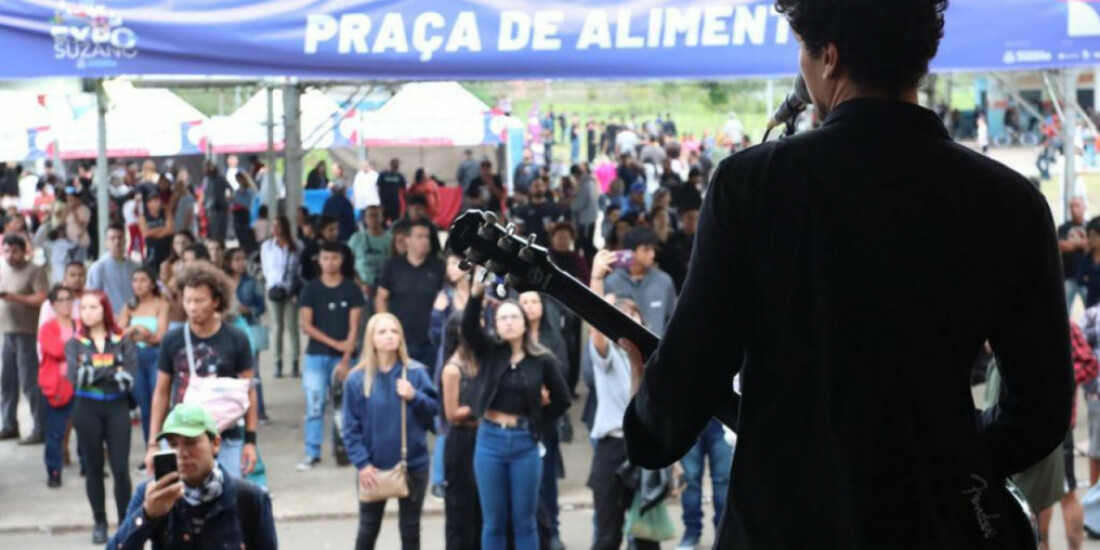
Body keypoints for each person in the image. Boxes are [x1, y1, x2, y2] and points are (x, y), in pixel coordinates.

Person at [620, 1, 1074, 547]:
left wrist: (648, 421)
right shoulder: (1011, 201)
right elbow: (1044, 408)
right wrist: (953, 459)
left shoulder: (753, 185)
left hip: (784, 527)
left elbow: (692, 373)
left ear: (829, 58)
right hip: (933, 528)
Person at [462, 277, 571, 550]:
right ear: (496, 325)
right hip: (489, 440)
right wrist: (476, 294)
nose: (509, 321)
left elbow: (563, 400)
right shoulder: (490, 352)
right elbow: (468, 328)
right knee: (494, 522)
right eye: (503, 318)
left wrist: (541, 418)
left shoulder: (542, 359)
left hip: (525, 441)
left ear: (524, 323)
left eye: (514, 316)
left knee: (525, 522)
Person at [108, 403, 277, 550]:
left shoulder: (249, 498)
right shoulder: (152, 495)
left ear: (216, 443)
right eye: (173, 444)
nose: (182, 453)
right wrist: (146, 516)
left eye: (191, 442)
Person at [145, 263, 259, 479]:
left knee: (229, 499)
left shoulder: (236, 338)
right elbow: (161, 392)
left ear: (216, 302)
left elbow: (249, 391)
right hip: (180, 437)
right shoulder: (172, 340)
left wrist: (250, 442)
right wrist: (152, 444)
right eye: (188, 300)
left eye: (199, 300)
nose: (192, 307)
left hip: (226, 437)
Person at [342, 313, 440, 550]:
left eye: (394, 331)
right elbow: (349, 428)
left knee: (410, 531)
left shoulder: (415, 373)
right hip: (372, 467)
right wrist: (362, 463)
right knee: (368, 529)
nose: (389, 337)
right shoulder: (356, 379)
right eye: (383, 332)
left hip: (412, 465)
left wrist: (414, 396)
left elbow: (434, 415)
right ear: (371, 339)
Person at [68, 291, 137, 544]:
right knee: (93, 468)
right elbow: (76, 379)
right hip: (86, 409)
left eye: (93, 307)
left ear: (104, 309)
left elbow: (128, 378)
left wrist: (93, 369)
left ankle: (125, 520)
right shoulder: (74, 343)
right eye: (83, 308)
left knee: (120, 468)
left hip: (117, 408)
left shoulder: (122, 340)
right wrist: (112, 370)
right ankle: (99, 521)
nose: (88, 312)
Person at [297, 241, 365, 471]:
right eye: (325, 258)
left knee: (346, 406)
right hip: (316, 356)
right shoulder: (311, 289)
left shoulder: (351, 289)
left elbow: (354, 327)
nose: (330, 263)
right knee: (315, 404)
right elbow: (306, 325)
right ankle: (312, 452)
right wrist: (335, 343)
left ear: (341, 260)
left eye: (334, 258)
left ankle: (347, 451)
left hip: (344, 358)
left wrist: (346, 357)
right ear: (319, 260)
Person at [0, 234, 49, 444]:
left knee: (30, 383)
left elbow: (42, 298)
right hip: (7, 333)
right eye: (7, 250)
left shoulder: (35, 271)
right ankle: (9, 424)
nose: (11, 255)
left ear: (23, 251)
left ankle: (40, 428)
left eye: (15, 251)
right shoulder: (3, 270)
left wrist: (15, 298)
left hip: (28, 334)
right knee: (7, 383)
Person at [376, 220, 445, 367]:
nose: (425, 241)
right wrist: (386, 325)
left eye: (427, 237)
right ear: (407, 240)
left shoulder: (439, 267)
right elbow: (381, 298)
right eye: (419, 237)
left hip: (431, 341)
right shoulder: (392, 266)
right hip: (400, 340)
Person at [439, 313, 482, 550]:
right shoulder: (453, 368)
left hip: (481, 437)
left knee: (481, 506)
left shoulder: (480, 359)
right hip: (462, 442)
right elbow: (452, 412)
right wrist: (482, 406)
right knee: (460, 507)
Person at [118, 267, 170, 446]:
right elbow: (119, 335)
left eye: (143, 280)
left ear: (152, 283)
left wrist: (141, 332)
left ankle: (164, 446)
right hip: (134, 357)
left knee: (160, 404)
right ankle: (152, 446)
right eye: (135, 280)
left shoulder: (161, 304)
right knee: (145, 407)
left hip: (156, 356)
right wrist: (135, 331)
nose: (138, 285)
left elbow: (159, 337)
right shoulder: (129, 306)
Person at [602, 227, 678, 336]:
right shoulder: (612, 282)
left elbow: (674, 320)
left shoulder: (665, 281)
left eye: (653, 249)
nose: (652, 254)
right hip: (621, 349)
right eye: (646, 249)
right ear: (631, 253)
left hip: (658, 349)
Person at [38, 285, 76, 488]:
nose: (66, 303)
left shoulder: (80, 325)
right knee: (55, 432)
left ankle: (88, 465)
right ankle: (54, 470)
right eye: (61, 300)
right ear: (53, 305)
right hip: (56, 387)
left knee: (87, 429)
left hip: (79, 385)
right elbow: (56, 350)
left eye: (69, 299)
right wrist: (76, 350)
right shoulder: (47, 328)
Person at [261, 215, 302, 378]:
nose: (275, 230)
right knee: (277, 327)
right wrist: (272, 284)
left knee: (293, 327)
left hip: (290, 290)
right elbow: (265, 268)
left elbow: (299, 270)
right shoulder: (267, 246)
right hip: (273, 289)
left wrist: (295, 290)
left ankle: (295, 362)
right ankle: (278, 362)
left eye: (278, 226)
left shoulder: (296, 246)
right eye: (273, 227)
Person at [88, 223, 141, 315]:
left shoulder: (135, 267)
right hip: (108, 319)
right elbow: (92, 297)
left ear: (125, 240)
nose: (117, 242)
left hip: (133, 316)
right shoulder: (98, 267)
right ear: (106, 242)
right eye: (112, 238)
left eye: (120, 238)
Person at [348, 205, 393, 298]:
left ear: (382, 217)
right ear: (365, 219)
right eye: (370, 216)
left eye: (377, 215)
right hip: (361, 289)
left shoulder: (390, 239)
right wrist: (360, 284)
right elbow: (348, 264)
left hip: (385, 289)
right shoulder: (356, 238)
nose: (374, 219)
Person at [300, 214, 359, 284]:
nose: (335, 233)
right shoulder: (310, 251)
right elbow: (305, 274)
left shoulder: (345, 250)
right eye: (330, 230)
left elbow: (349, 273)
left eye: (336, 229)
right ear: (321, 231)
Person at [1062, 197, 1090, 313]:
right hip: (1069, 276)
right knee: (1064, 312)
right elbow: (1062, 245)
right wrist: (1083, 243)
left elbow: (1092, 246)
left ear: (1084, 207)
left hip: (1088, 277)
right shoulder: (1064, 228)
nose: (1074, 209)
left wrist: (1073, 243)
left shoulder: (1091, 226)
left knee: (1092, 312)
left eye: (1077, 206)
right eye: (1072, 206)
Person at [141, 190, 175, 272]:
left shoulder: (166, 211)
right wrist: (163, 229)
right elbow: (146, 233)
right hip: (152, 248)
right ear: (148, 203)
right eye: (155, 200)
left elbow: (170, 229)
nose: (158, 202)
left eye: (158, 200)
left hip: (166, 245)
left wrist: (155, 233)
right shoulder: (143, 217)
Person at [203, 161, 232, 242]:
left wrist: (228, 198)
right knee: (213, 233)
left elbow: (230, 189)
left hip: (222, 208)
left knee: (222, 232)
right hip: (211, 210)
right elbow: (205, 194)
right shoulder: (206, 179)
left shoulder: (220, 178)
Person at [232, 172, 259, 253]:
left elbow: (250, 204)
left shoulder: (250, 191)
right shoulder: (237, 191)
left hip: (246, 215)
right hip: (238, 216)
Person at [170, 167, 197, 236]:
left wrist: (184, 228)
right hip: (176, 225)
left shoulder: (188, 196)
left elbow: (190, 213)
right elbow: (171, 208)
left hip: (187, 228)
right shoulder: (175, 195)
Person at [378, 158, 407, 224]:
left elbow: (404, 189)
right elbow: (378, 188)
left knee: (395, 223)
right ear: (390, 165)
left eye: (397, 165)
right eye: (394, 165)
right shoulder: (383, 175)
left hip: (395, 203)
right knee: (382, 222)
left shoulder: (400, 176)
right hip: (385, 203)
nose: (395, 167)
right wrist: (381, 203)